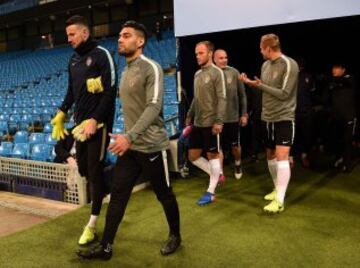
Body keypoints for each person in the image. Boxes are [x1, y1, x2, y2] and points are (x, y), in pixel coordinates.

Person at [77, 21, 181, 260]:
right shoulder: (124, 71)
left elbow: (154, 106)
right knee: (118, 195)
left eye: (126, 36)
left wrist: (130, 136)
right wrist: (123, 134)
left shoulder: (150, 67)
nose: (120, 40)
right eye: (120, 36)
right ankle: (105, 247)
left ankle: (175, 235)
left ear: (140, 41)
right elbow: (130, 109)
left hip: (152, 145)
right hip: (130, 146)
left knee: (164, 193)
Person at [51, 15, 117, 245]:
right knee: (84, 172)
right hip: (80, 125)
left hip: (98, 125)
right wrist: (62, 112)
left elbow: (110, 91)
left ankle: (92, 225)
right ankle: (109, 194)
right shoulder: (73, 61)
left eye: (72, 34)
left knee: (94, 172)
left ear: (85, 33)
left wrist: (95, 119)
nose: (68, 39)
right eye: (67, 34)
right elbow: (71, 91)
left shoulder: (102, 55)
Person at [240, 33, 299, 213]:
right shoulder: (265, 65)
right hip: (267, 118)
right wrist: (251, 83)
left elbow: (284, 93)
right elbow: (266, 89)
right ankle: (277, 189)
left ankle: (280, 200)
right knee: (271, 155)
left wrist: (259, 86)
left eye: (261, 48)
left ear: (268, 48)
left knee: (282, 156)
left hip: (284, 118)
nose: (260, 51)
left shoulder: (290, 64)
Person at [186, 41, 226, 206]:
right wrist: (190, 115)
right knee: (193, 156)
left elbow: (222, 98)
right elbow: (196, 98)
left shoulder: (217, 73)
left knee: (213, 157)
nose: (197, 56)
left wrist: (219, 121)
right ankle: (217, 175)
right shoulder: (197, 74)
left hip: (211, 123)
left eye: (200, 53)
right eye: (196, 54)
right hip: (198, 122)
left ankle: (211, 192)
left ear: (210, 53)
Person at [213, 49, 248, 179]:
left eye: (225, 57)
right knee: (218, 149)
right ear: (214, 59)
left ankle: (238, 163)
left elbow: (242, 95)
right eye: (221, 58)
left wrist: (244, 114)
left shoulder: (234, 72)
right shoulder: (211, 73)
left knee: (235, 147)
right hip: (217, 120)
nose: (224, 60)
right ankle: (220, 173)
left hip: (233, 118)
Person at [327, 63, 357, 172]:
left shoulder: (349, 78)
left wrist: (330, 79)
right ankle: (339, 159)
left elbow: (344, 81)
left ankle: (347, 164)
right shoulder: (333, 83)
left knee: (347, 141)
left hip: (348, 117)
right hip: (336, 117)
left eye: (337, 68)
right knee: (336, 140)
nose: (334, 70)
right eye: (333, 67)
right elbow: (327, 98)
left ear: (343, 70)